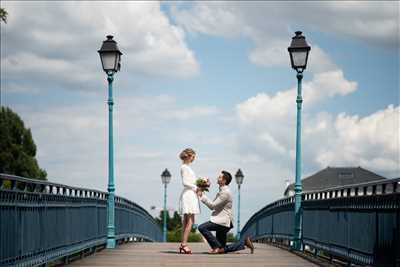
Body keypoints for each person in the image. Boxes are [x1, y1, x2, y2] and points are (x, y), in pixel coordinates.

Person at [197, 170, 254, 254]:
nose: (217, 178)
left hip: (223, 222)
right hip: (223, 221)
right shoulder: (222, 191)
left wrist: (202, 195)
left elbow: (212, 206)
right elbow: (214, 206)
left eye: (220, 177)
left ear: (224, 181)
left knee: (202, 227)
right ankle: (244, 243)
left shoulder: (225, 193)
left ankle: (215, 247)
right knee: (222, 249)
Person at [178, 148, 200, 254]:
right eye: (193, 156)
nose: (194, 159)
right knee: (190, 220)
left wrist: (200, 185)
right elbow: (185, 182)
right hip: (189, 194)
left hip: (190, 194)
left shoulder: (186, 167)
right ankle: (184, 244)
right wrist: (196, 187)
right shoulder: (184, 167)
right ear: (188, 156)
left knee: (187, 221)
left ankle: (183, 243)